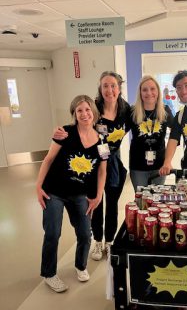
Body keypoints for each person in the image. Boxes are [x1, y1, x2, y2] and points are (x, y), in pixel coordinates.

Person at [53, 72, 131, 261]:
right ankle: (97, 241)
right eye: (105, 85)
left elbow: (132, 127)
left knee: (112, 205)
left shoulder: (126, 110)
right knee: (95, 202)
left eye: (113, 85)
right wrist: (60, 132)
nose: (109, 90)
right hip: (94, 163)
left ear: (119, 88)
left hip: (113, 163)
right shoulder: (93, 107)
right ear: (100, 88)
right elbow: (77, 124)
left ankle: (109, 242)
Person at [36, 95, 107, 293]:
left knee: (85, 233)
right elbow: (48, 159)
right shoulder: (65, 133)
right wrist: (38, 187)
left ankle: (81, 266)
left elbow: (103, 170)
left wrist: (99, 194)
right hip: (54, 191)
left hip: (80, 194)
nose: (84, 114)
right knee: (52, 232)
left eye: (87, 109)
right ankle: (49, 274)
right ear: (74, 114)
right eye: (79, 111)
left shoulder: (102, 141)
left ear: (94, 111)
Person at [129, 75, 173, 191]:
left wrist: (168, 160)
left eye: (152, 89)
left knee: (157, 201)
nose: (149, 93)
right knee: (142, 201)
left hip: (159, 165)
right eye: (145, 89)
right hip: (138, 166)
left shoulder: (165, 110)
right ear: (140, 93)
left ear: (158, 91)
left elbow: (175, 134)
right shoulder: (132, 112)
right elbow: (119, 132)